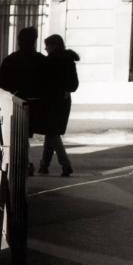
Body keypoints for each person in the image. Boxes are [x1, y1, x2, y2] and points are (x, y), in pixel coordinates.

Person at [0, 27, 46, 175]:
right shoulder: (41, 60)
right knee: (25, 137)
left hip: (15, 102)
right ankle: (27, 163)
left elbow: (1, 85)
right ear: (34, 41)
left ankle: (24, 163)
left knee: (17, 136)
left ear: (19, 41)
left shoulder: (11, 60)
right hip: (36, 104)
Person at [37, 34, 80, 177]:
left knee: (52, 133)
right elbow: (74, 84)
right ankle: (44, 165)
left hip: (50, 101)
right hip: (63, 101)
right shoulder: (69, 60)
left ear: (54, 46)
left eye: (47, 45)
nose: (45, 48)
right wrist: (65, 90)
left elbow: (43, 83)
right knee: (51, 133)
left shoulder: (49, 61)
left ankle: (65, 164)